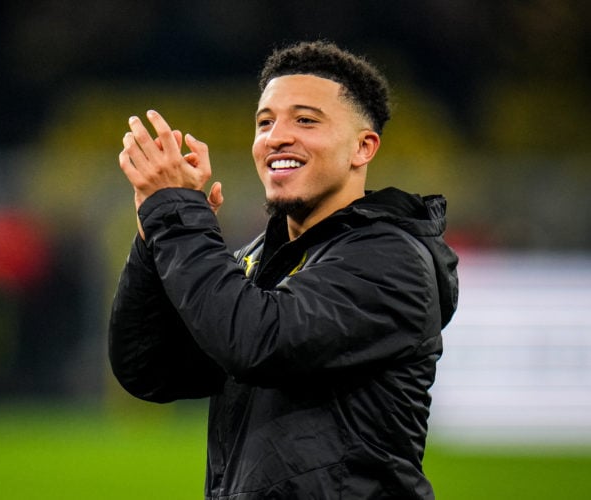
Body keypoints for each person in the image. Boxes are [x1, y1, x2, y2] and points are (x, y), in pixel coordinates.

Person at [109, 40, 459, 499]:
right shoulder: (261, 260)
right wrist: (153, 236)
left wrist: (178, 217)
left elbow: (255, 342)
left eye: (305, 120)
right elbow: (151, 369)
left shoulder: (392, 259)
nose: (276, 136)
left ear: (363, 147)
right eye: (265, 122)